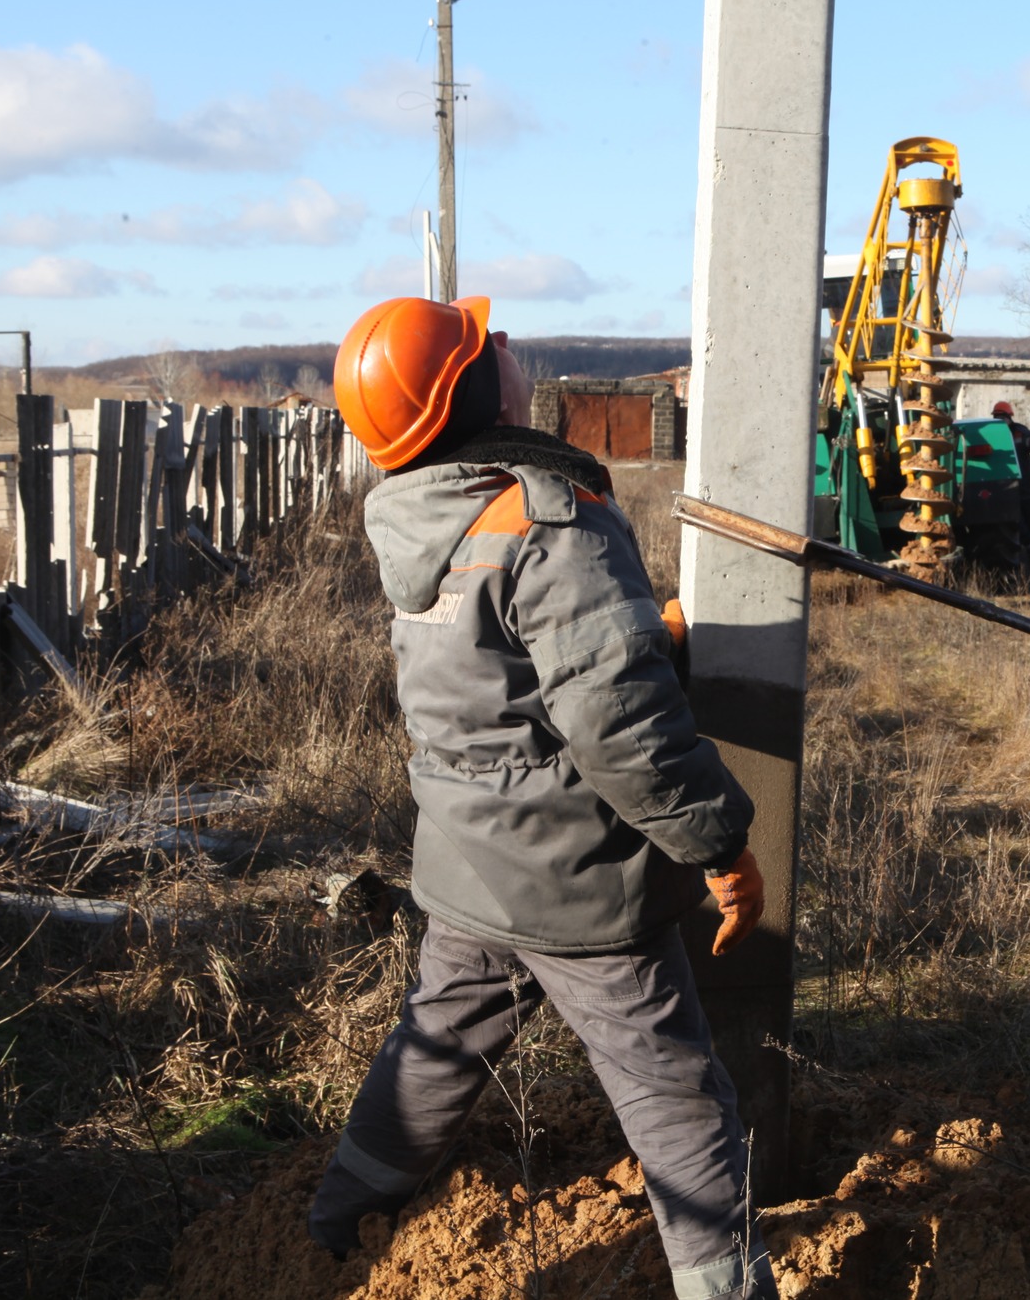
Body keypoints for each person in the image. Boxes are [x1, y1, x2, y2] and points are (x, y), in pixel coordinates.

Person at [312, 294, 778, 1300]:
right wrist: (720, 849)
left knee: (432, 1054)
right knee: (678, 1100)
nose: (510, 347)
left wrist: (633, 631)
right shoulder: (545, 515)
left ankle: (329, 1224)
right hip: (575, 882)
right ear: (468, 390)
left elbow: (498, 672)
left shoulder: (419, 513)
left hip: (467, 866)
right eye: (487, 347)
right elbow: (618, 727)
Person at [990, 400, 1030, 557]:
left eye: (1002, 416)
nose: (1000, 419)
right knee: (1014, 522)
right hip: (1005, 488)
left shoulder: (1019, 432)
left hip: (1027, 486)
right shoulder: (990, 434)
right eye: (997, 416)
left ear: (1009, 417)